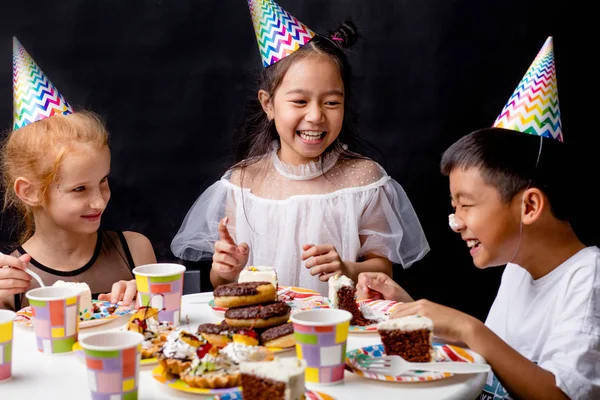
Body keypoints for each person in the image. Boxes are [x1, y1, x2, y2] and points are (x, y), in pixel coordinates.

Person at [357, 37, 600, 400]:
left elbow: (564, 396)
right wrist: (407, 306)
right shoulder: (519, 266)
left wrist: (468, 327)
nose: (455, 222)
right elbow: (494, 368)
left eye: (466, 205)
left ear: (529, 207)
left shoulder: (589, 278)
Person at [171, 2, 429, 295]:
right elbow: (223, 284)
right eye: (299, 102)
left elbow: (383, 270)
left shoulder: (363, 179)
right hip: (260, 333)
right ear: (268, 104)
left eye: (331, 102)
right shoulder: (242, 183)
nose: (316, 116)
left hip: (333, 332)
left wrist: (347, 268)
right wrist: (226, 270)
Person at [0, 38, 156, 310]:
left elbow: (167, 333)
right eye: (80, 189)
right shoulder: (12, 283)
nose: (99, 202)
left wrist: (150, 298)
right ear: (30, 191)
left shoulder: (135, 251)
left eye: (103, 181)